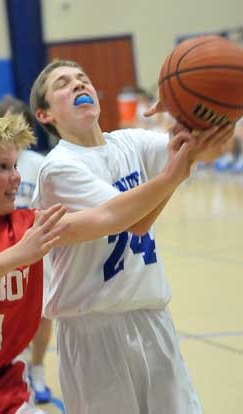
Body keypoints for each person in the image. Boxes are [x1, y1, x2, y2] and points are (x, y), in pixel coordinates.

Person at [0, 111, 210, 413]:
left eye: (15, 165)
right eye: (2, 168)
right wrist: (16, 256)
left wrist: (172, 175)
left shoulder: (30, 227)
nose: (17, 176)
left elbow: (109, 216)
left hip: (1, 390)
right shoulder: (22, 243)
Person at [30, 58, 234, 414]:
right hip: (93, 333)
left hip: (153, 319)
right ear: (45, 114)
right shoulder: (58, 169)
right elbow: (125, 218)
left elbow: (203, 148)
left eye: (83, 78)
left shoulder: (131, 142)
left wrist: (198, 113)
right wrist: (173, 175)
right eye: (63, 83)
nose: (78, 84)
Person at [0, 95, 53, 404]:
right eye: (6, 119)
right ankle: (8, 375)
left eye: (19, 121)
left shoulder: (39, 165)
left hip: (36, 253)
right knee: (5, 320)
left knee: (44, 316)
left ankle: (38, 369)